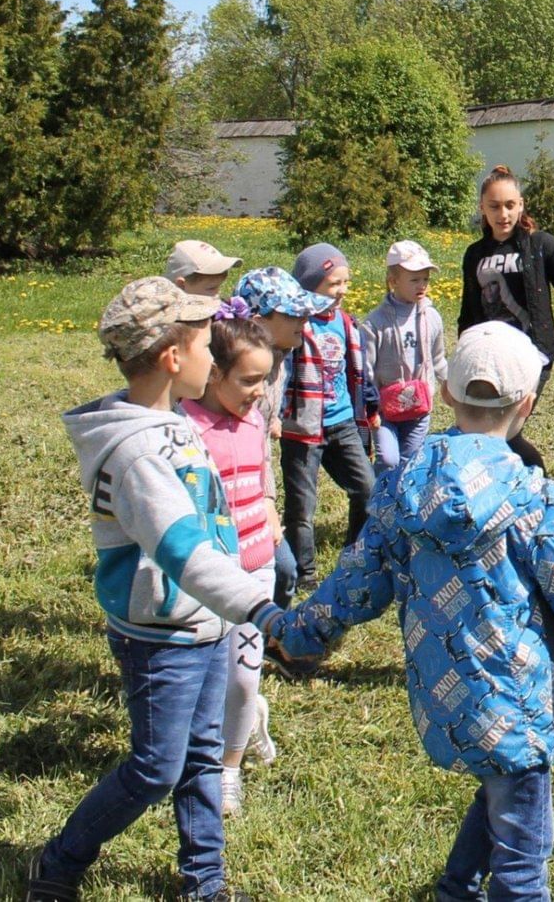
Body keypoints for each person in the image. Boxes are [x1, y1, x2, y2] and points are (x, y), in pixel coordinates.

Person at [258, 322, 554, 902]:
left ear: (445, 395)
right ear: (528, 404)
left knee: (498, 788)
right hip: (517, 702)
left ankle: (455, 889)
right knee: (522, 858)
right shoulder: (537, 501)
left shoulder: (398, 491)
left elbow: (353, 586)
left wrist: (299, 632)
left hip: (443, 694)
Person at [27, 278, 281, 902]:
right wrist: (261, 609)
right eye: (205, 347)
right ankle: (58, 863)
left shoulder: (169, 422)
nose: (213, 360)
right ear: (174, 357)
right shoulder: (140, 449)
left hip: (206, 625)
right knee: (156, 767)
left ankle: (205, 884)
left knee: (200, 758)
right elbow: (181, 550)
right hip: (162, 636)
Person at [181, 305, 284, 817]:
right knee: (209, 682)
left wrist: (268, 505)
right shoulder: (184, 425)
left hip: (255, 569)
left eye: (265, 379)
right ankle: (243, 721)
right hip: (205, 578)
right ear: (213, 373)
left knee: (243, 677)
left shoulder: (256, 417)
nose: (260, 391)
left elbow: (264, 470)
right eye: (249, 380)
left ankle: (228, 769)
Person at [459, 164, 554, 467]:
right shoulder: (474, 254)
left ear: (521, 205)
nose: (503, 214)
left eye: (510, 205)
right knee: (487, 432)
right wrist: (461, 360)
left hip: (534, 353)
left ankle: (537, 484)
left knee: (505, 429)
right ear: (482, 208)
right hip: (490, 355)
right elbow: (468, 311)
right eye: (494, 206)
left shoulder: (541, 245)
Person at [279, 243, 377, 594]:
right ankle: (304, 573)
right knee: (302, 506)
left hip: (343, 422)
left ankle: (354, 554)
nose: (342, 291)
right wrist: (275, 416)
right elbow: (281, 374)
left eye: (345, 282)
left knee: (368, 488)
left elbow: (359, 372)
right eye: (334, 284)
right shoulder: (295, 325)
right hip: (303, 428)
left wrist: (372, 406)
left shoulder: (347, 323)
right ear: (309, 286)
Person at [234, 266, 331, 609]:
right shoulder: (236, 377)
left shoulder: (283, 356)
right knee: (281, 569)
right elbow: (245, 447)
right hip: (237, 490)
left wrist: (273, 420)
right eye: (293, 312)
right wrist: (267, 505)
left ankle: (268, 636)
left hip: (258, 482)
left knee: (283, 572)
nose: (305, 319)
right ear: (258, 322)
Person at [363, 239, 447, 474]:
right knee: (389, 460)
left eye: (426, 279)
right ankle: (379, 498)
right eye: (414, 279)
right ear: (393, 281)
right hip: (385, 409)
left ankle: (402, 507)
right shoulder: (375, 323)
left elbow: (438, 357)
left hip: (419, 407)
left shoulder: (431, 317)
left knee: (411, 464)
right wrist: (368, 406)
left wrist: (447, 383)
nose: (422, 285)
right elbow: (366, 369)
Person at [165, 240, 243, 298]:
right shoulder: (169, 318)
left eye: (219, 286)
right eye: (211, 288)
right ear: (182, 286)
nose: (218, 295)